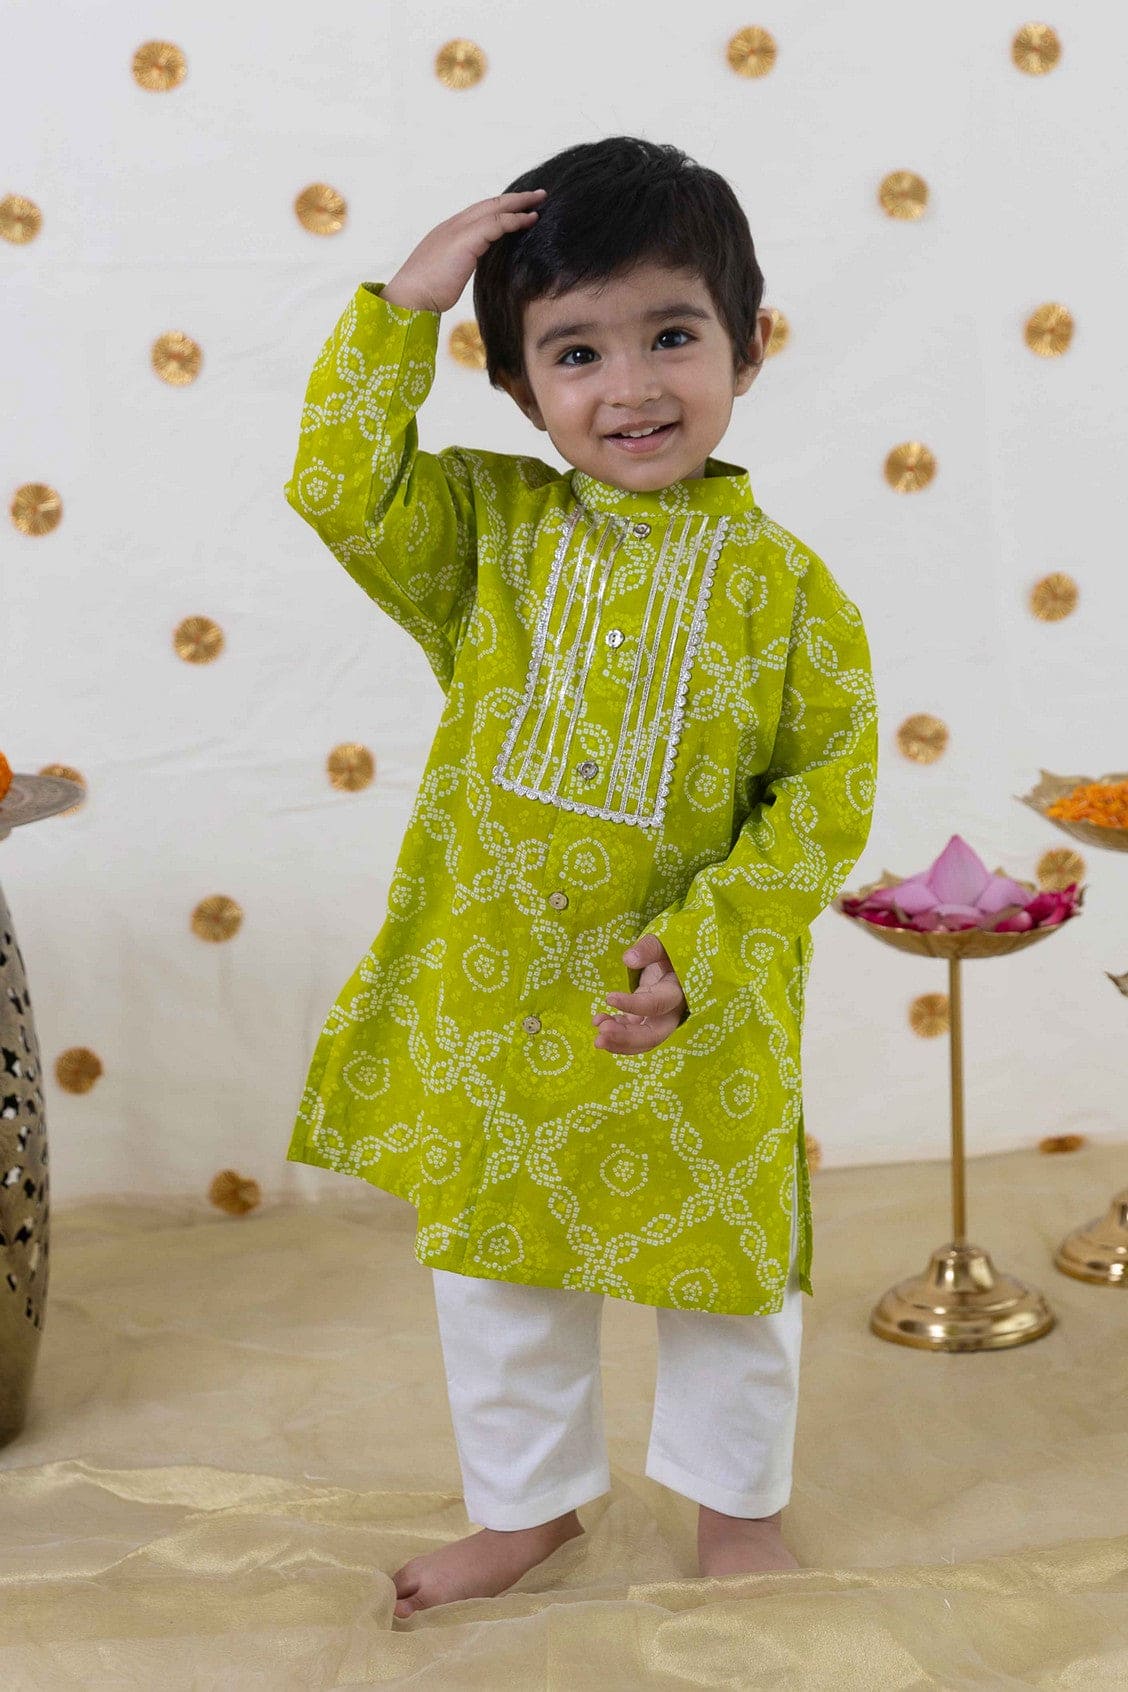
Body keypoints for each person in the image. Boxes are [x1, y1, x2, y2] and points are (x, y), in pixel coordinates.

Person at [283, 136, 879, 1616]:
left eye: (672, 335)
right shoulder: (487, 540)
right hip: (500, 998)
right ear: (515, 386)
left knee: (728, 1275)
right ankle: (526, 1510)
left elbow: (824, 796)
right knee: (498, 1271)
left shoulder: (791, 592)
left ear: (748, 344)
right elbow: (338, 487)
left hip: (689, 1007)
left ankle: (737, 1514)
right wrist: (401, 309)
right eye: (575, 352)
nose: (631, 388)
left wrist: (707, 947)